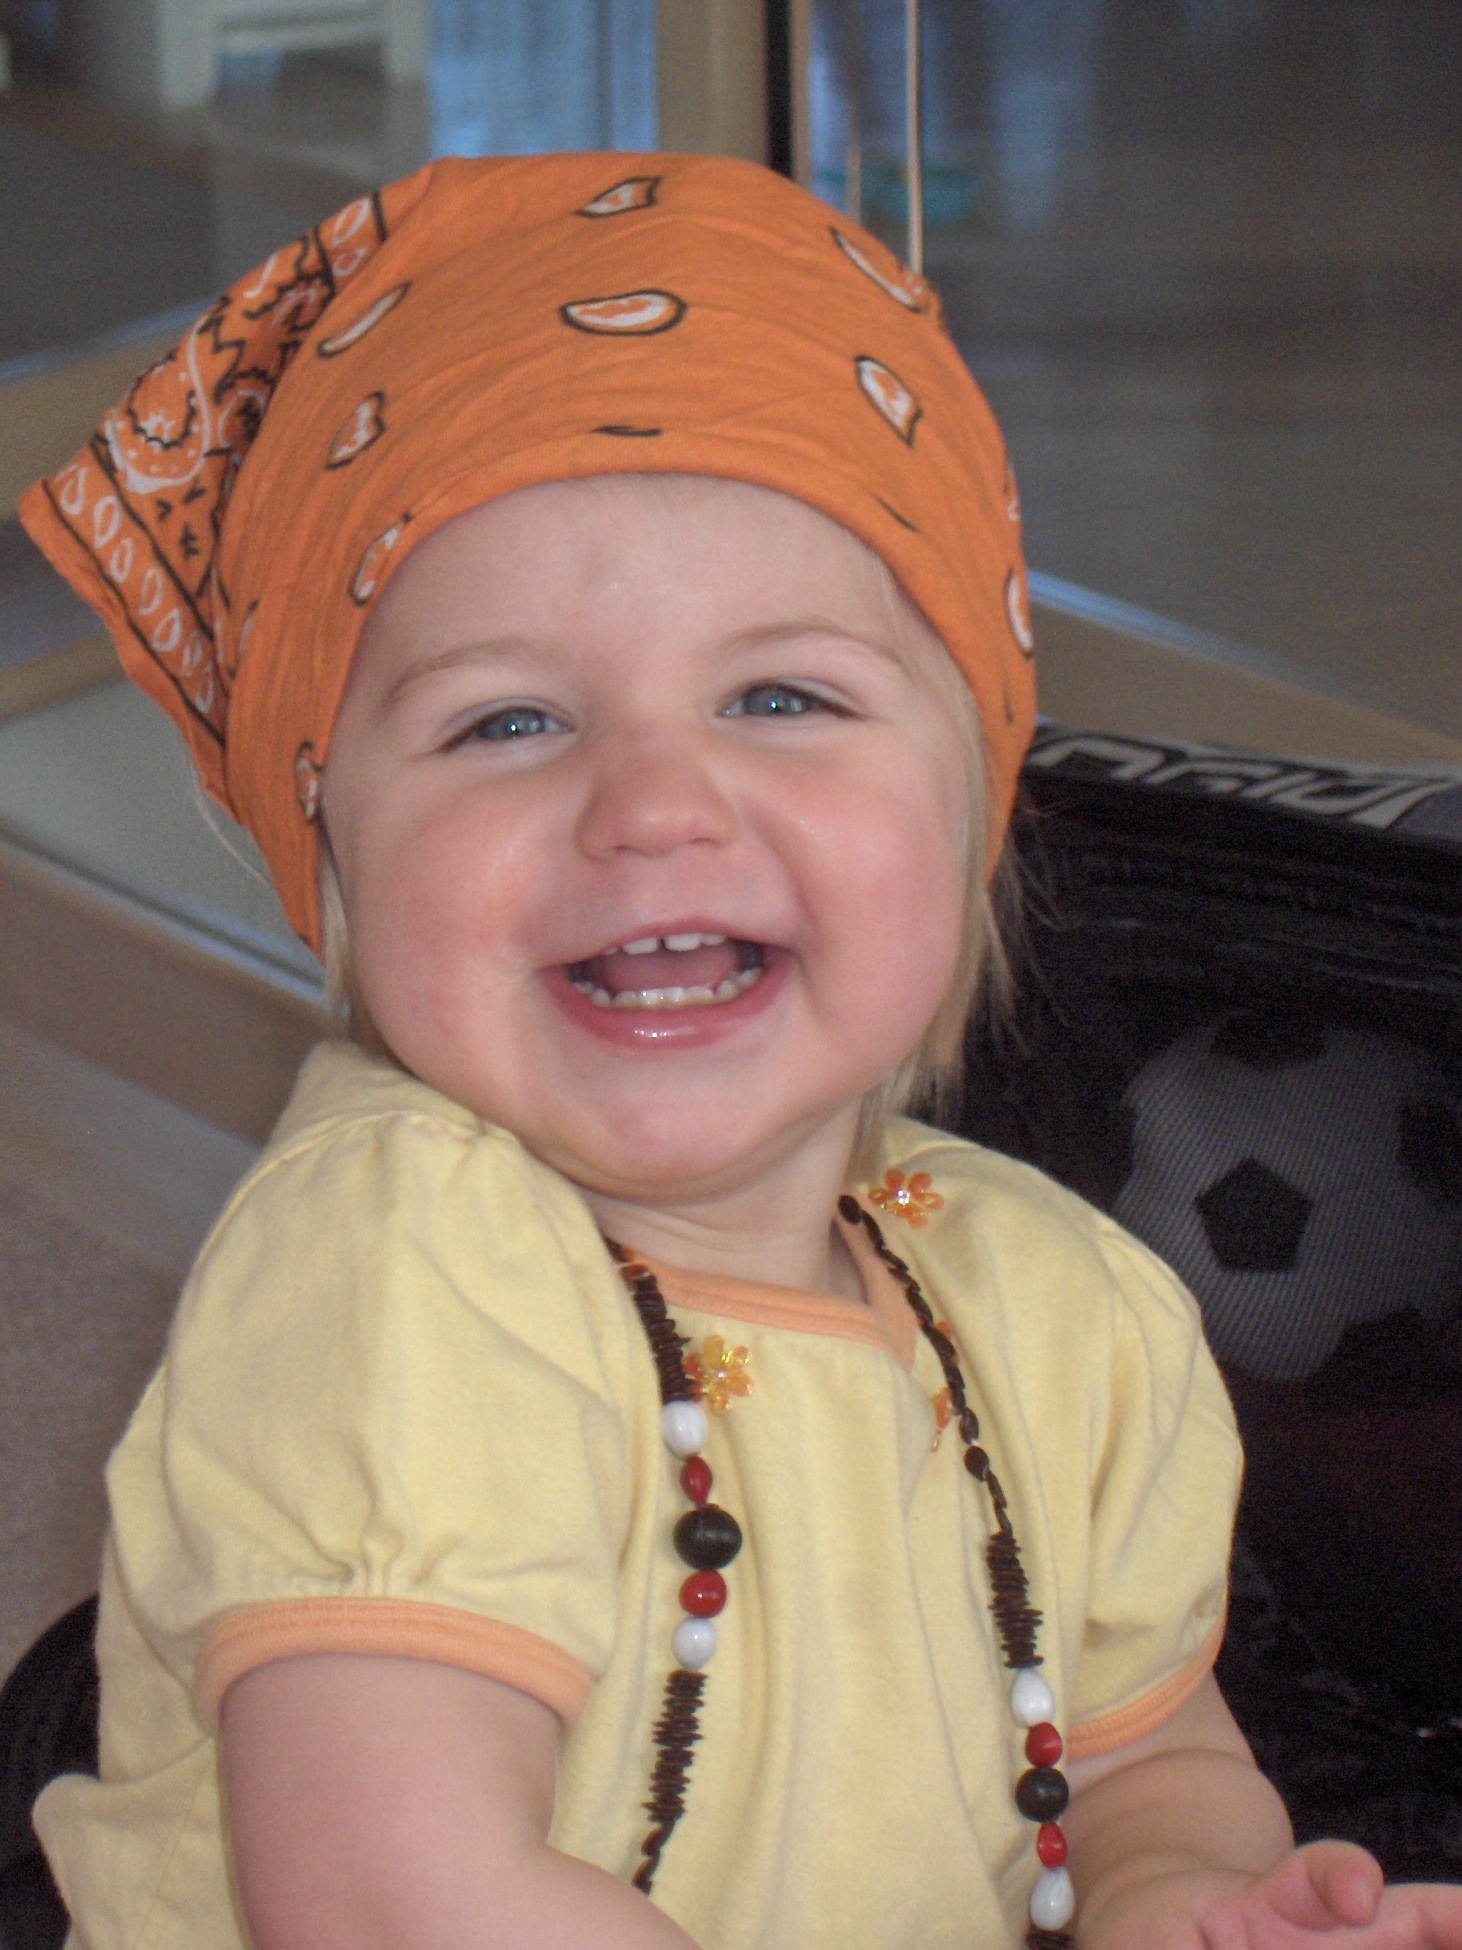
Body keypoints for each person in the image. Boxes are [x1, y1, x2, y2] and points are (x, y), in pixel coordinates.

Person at [19, 151, 1462, 1950]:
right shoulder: (397, 1259)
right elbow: (399, 1894)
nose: (652, 799)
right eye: (506, 719)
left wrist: (1194, 1897)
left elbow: (1140, 1765)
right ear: (340, 871)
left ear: (969, 822)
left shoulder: (1071, 1311)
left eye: (781, 695)